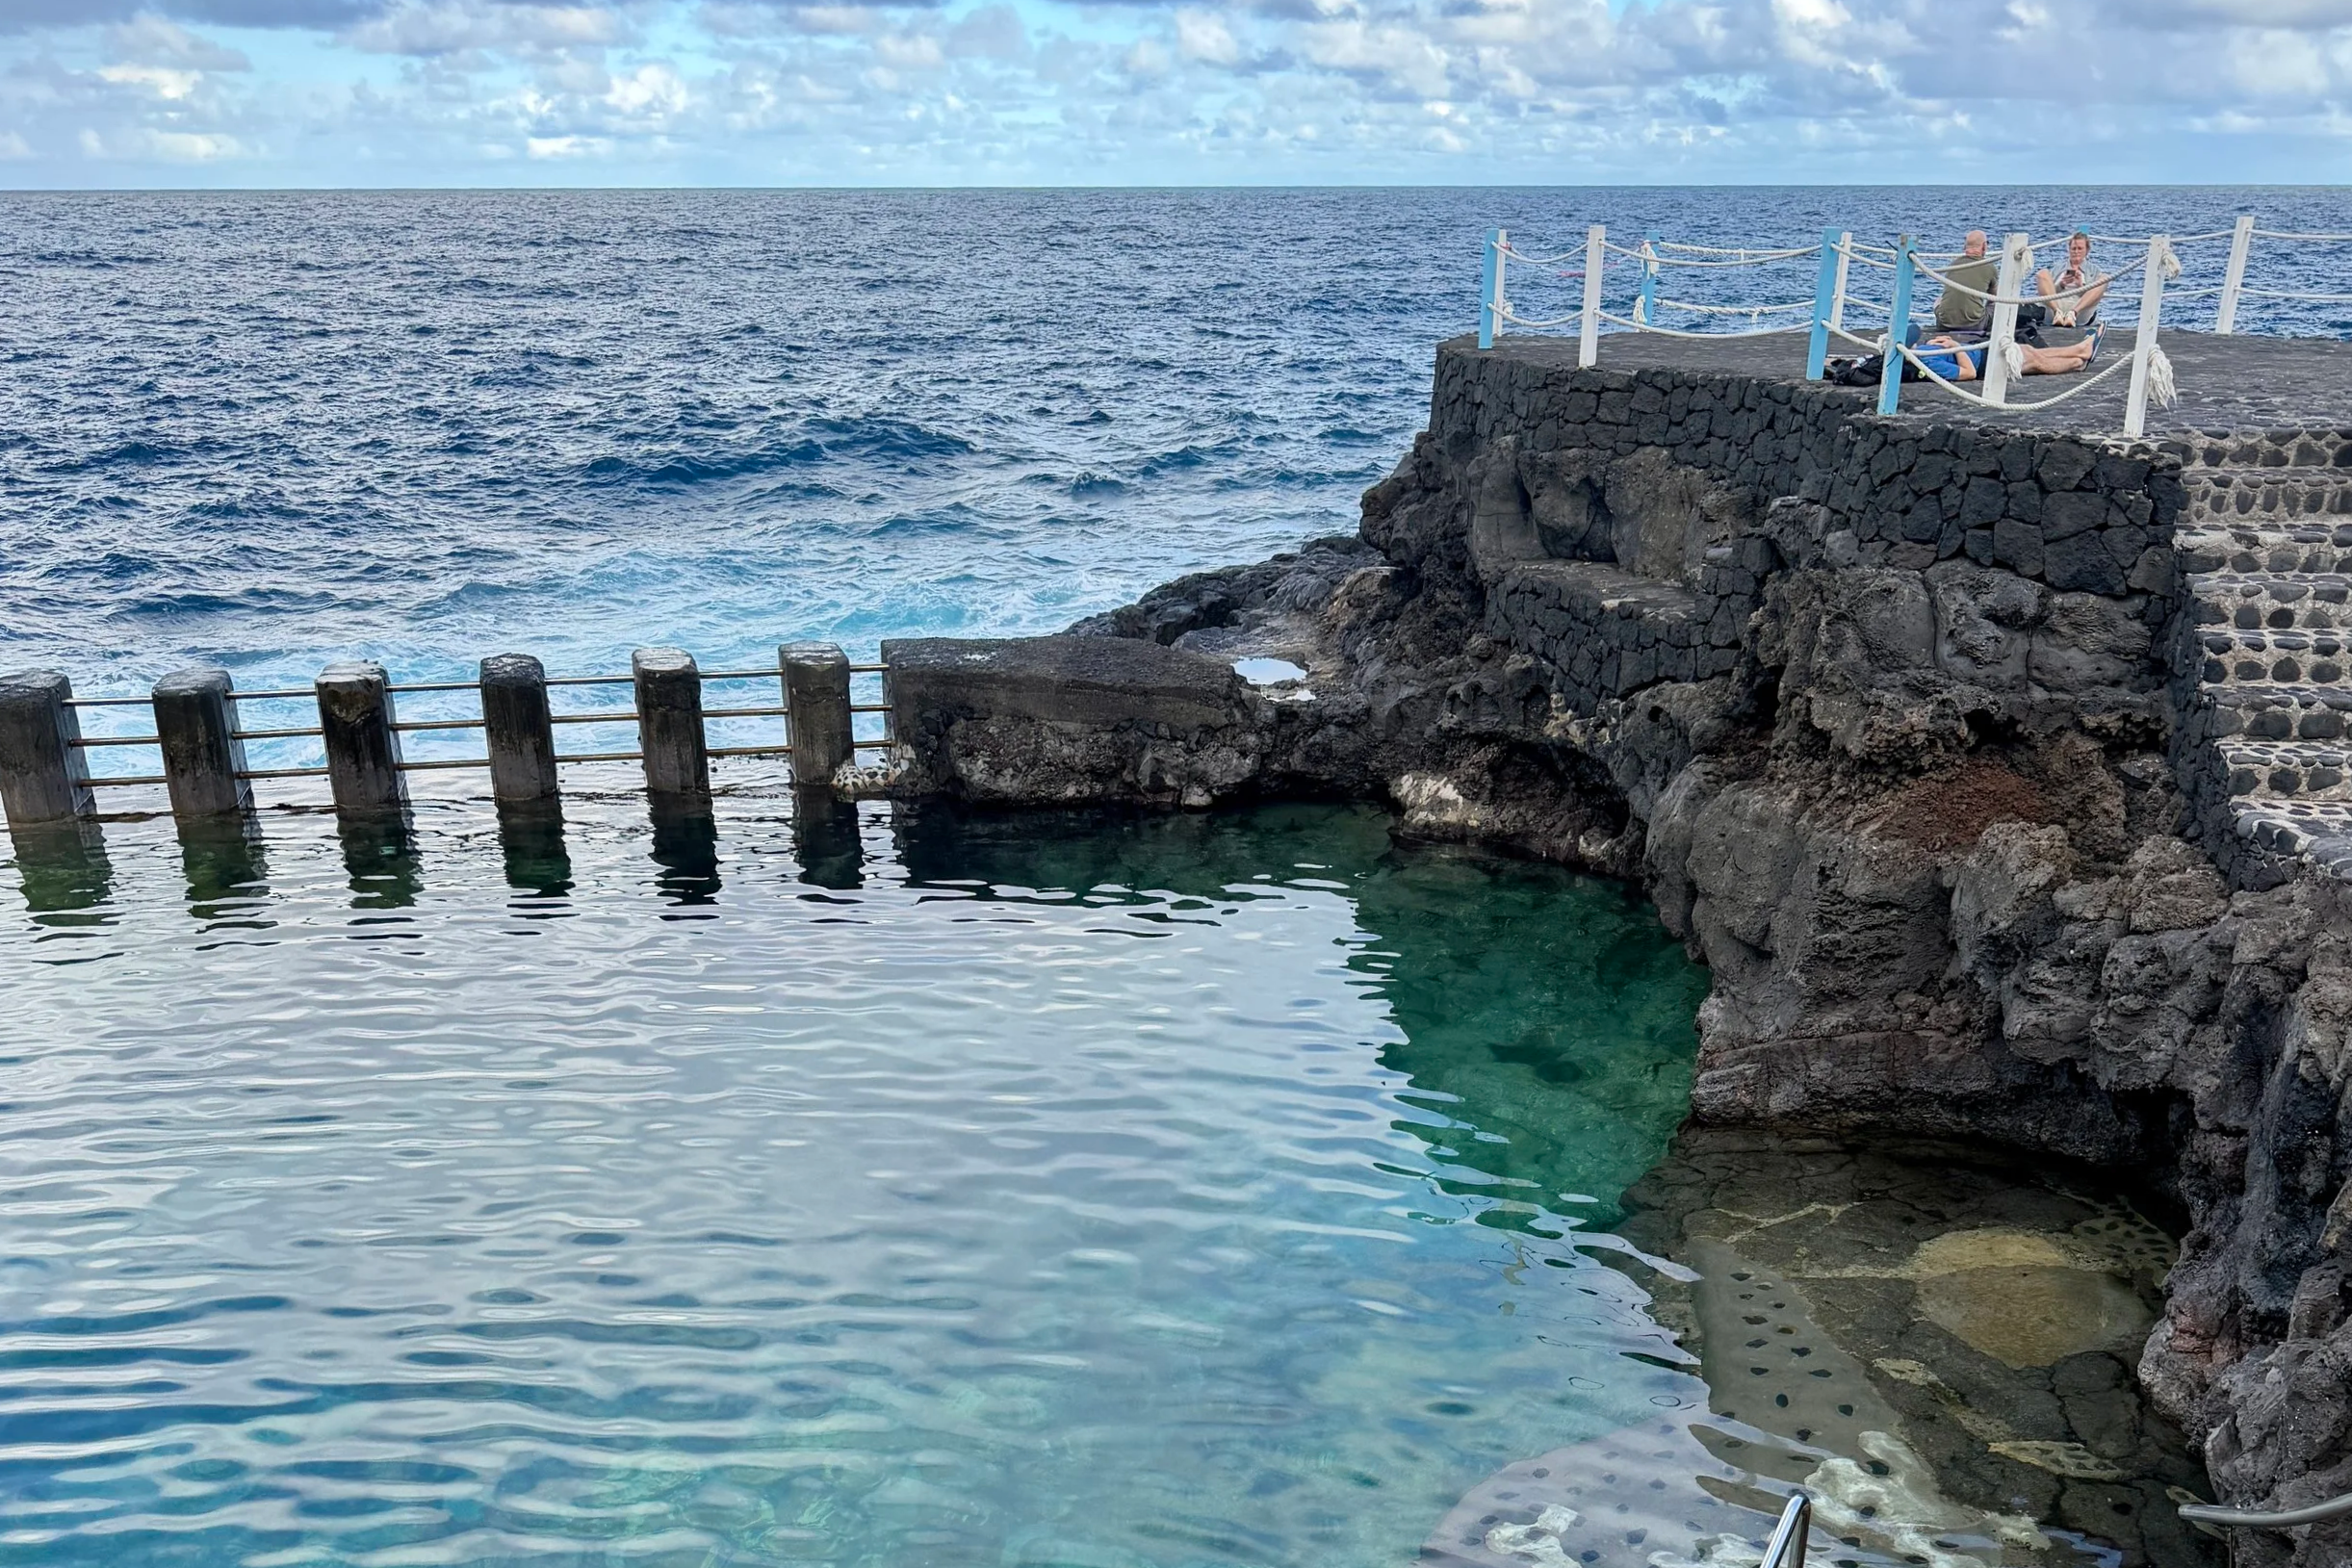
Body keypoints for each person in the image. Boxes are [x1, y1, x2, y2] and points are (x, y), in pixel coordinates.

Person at [2036, 231, 2110, 328]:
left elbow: (2094, 297)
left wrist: (2082, 286)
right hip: (2056, 306)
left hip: (2080, 309)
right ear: (2069, 249)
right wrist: (2061, 285)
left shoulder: (2093, 270)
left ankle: (2073, 313)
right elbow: (2047, 292)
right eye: (2073, 249)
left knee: (2104, 278)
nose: (2076, 252)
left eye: (2080, 249)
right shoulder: (2058, 268)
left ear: (2087, 250)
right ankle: (2057, 313)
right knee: (2043, 273)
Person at [1933, 230, 1997, 333]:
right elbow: (1994, 297)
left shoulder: (1954, 264)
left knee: (1938, 300)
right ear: (1984, 246)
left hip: (1944, 325)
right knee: (1996, 303)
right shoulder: (1989, 267)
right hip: (1974, 325)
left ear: (1965, 247)